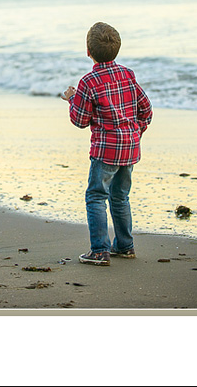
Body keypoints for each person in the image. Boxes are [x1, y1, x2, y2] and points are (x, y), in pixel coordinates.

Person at [61, 22, 153, 266]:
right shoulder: (127, 74)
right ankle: (125, 246)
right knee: (120, 197)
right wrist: (136, 132)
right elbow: (146, 109)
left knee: (96, 196)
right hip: (130, 147)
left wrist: (71, 99)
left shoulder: (88, 82)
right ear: (117, 49)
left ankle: (100, 250)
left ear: (88, 52)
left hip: (105, 151)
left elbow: (79, 120)